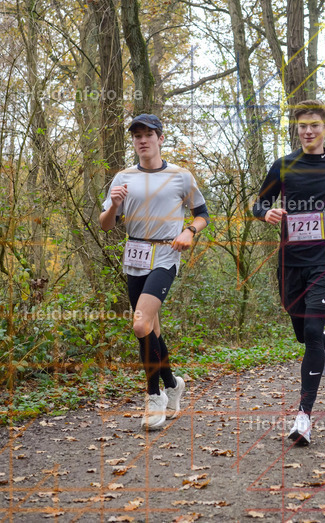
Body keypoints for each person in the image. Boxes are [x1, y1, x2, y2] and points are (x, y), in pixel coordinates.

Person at [252, 100, 325, 446]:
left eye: (315, 126)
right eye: (303, 126)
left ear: (324, 128)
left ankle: (303, 416)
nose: (308, 131)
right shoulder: (283, 166)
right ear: (296, 129)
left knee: (312, 326)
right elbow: (259, 202)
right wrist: (266, 214)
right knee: (304, 335)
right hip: (292, 262)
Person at [99, 114, 210, 430]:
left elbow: (202, 214)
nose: (142, 140)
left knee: (139, 324)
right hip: (135, 254)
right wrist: (112, 206)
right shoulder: (123, 177)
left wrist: (189, 231)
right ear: (133, 141)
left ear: (161, 138)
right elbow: (106, 225)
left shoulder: (180, 176)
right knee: (150, 329)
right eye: (137, 135)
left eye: (148, 134)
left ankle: (154, 397)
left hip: (166, 253)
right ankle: (173, 382)